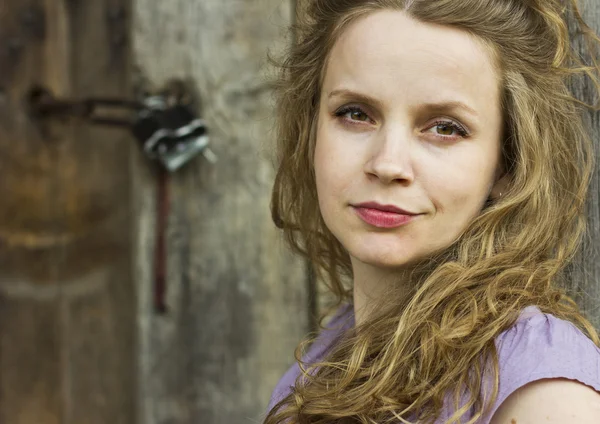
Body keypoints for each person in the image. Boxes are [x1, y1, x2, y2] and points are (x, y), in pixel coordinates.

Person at [265, 0, 600, 423]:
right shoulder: (328, 354)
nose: (387, 164)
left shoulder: (540, 392)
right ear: (311, 128)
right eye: (355, 114)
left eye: (444, 127)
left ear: (508, 163)